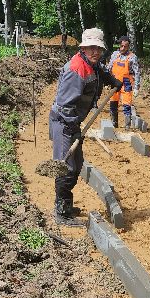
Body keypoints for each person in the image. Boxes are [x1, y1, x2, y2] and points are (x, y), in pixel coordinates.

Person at [49, 27, 122, 225]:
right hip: (64, 122)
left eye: (98, 48)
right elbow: (64, 106)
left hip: (73, 122)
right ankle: (61, 213)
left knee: (77, 166)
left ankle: (66, 205)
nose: (95, 52)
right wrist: (73, 129)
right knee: (66, 167)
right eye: (91, 48)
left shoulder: (92, 64)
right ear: (83, 48)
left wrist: (112, 80)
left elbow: (100, 71)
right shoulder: (76, 70)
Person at [108, 36, 141, 129]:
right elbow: (109, 68)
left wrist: (136, 87)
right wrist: (107, 80)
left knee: (127, 104)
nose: (122, 48)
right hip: (115, 82)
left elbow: (137, 73)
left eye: (125, 46)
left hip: (126, 83)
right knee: (113, 103)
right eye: (121, 46)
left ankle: (127, 126)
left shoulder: (132, 57)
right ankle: (114, 123)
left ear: (128, 47)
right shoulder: (115, 55)